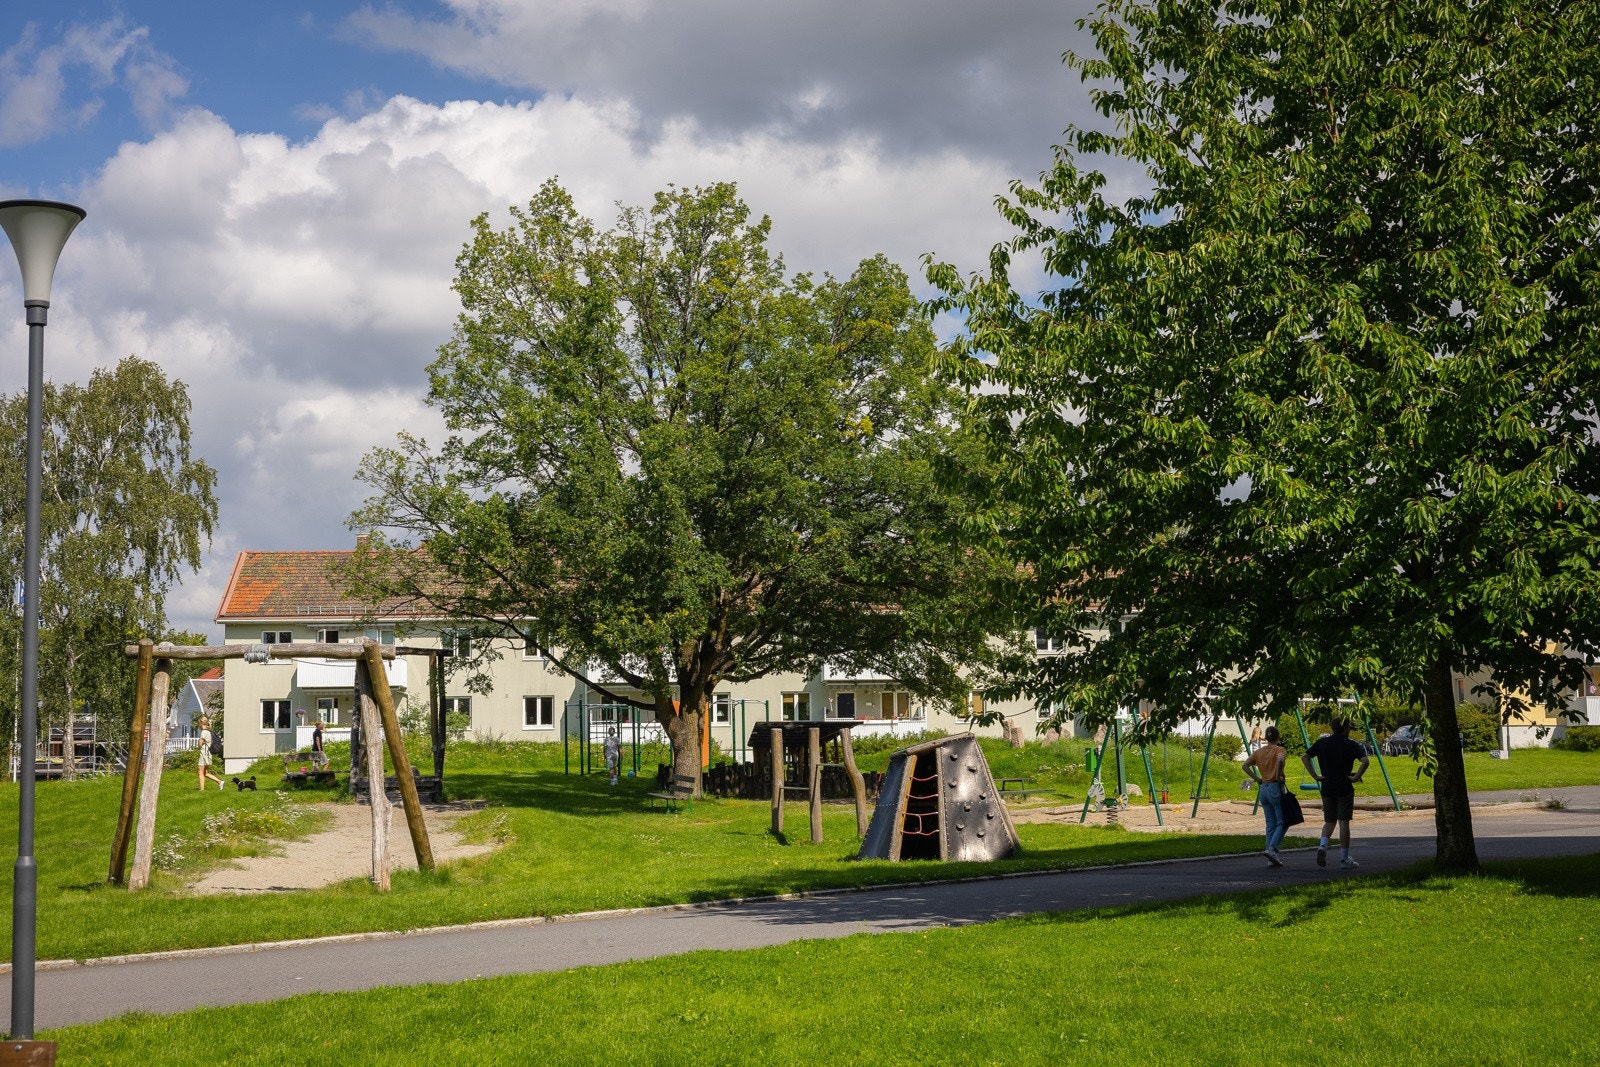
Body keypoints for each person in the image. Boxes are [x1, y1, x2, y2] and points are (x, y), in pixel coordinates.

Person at [1302, 718, 1370, 868]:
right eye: (1349, 727)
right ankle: (1344, 859)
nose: (1350, 729)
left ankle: (1323, 845)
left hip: (1327, 785)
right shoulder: (1351, 744)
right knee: (1343, 822)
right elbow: (1365, 761)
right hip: (1344, 786)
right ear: (1345, 728)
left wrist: (1315, 775)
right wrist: (1356, 777)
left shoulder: (1322, 743)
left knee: (1329, 820)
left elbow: (1305, 757)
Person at [1243, 725, 1288, 866]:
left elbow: (1245, 765)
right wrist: (1278, 775)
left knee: (1270, 824)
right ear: (1278, 737)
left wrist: (1257, 779)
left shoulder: (1259, 752)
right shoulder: (1280, 750)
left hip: (1264, 788)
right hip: (1275, 786)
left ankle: (1271, 859)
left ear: (1266, 738)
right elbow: (1280, 760)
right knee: (1283, 821)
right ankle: (1272, 849)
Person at [197, 716, 225, 792]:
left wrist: (199, 741)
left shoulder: (204, 732)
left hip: (204, 754)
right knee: (205, 773)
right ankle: (220, 782)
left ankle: (201, 790)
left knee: (200, 772)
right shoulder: (209, 732)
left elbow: (200, 744)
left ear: (201, 723)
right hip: (208, 753)